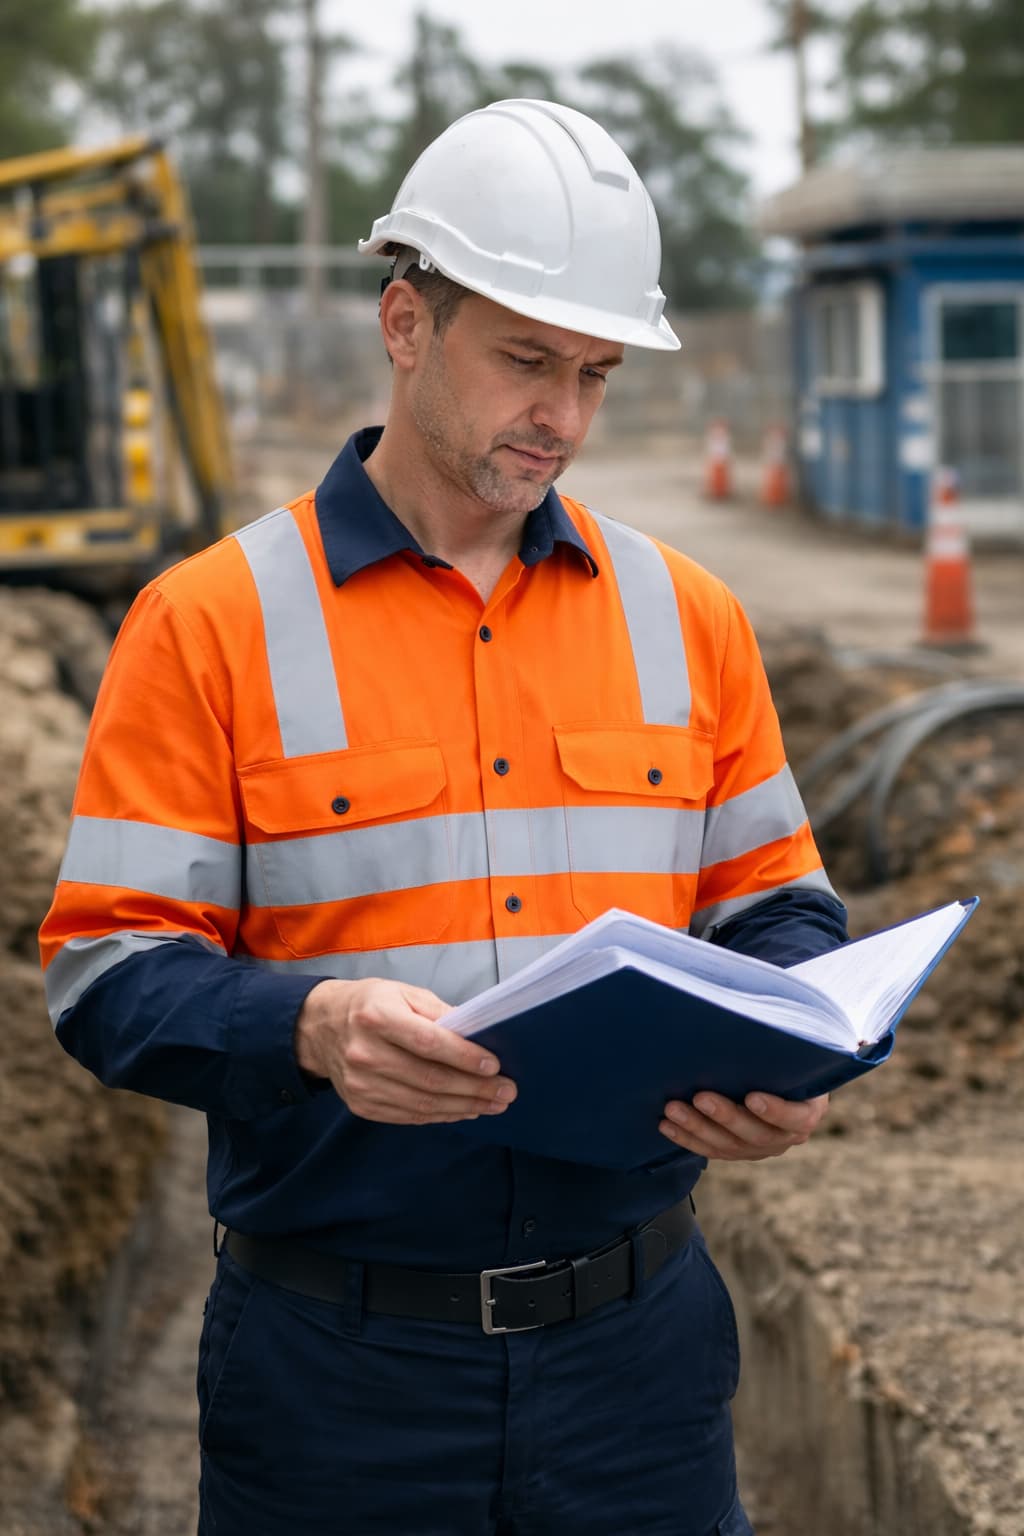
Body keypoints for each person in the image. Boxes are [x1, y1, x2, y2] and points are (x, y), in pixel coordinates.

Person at [40, 99, 848, 1536]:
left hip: (641, 1369)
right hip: (335, 1384)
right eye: (526, 361)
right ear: (406, 321)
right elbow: (108, 978)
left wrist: (786, 1044)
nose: (565, 419)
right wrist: (310, 1027)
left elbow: (779, 908)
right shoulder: (208, 625)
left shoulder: (689, 618)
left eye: (595, 374)